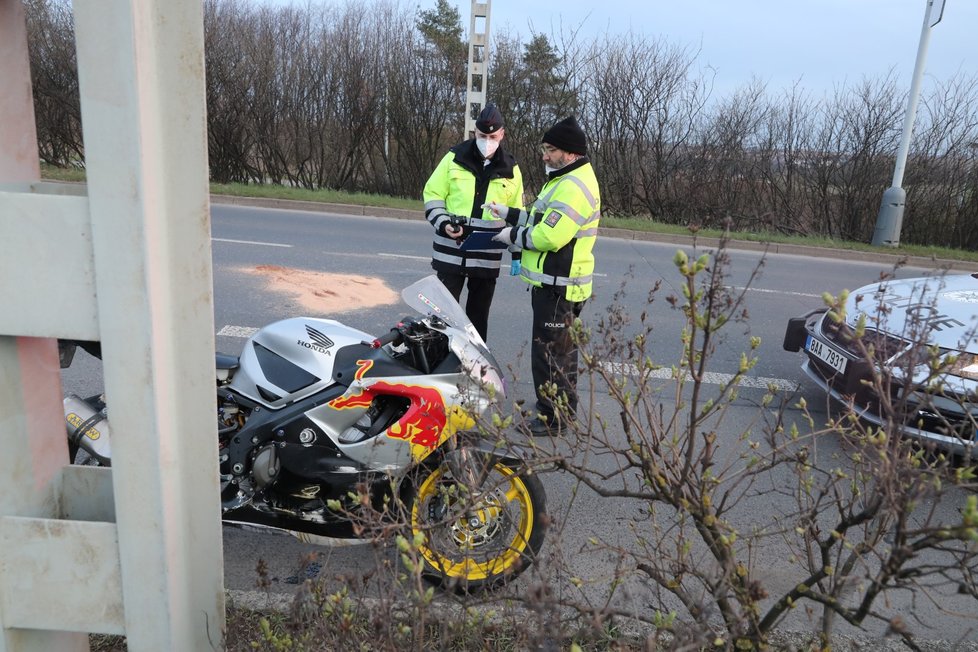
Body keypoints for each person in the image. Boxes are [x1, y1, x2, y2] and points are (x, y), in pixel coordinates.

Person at [487, 115, 600, 436]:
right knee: (561, 352)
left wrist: (511, 237)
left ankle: (554, 419)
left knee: (551, 355)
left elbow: (550, 237)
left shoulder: (573, 187)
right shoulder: (565, 178)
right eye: (544, 148)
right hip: (556, 285)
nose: (544, 155)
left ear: (571, 153)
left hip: (558, 287)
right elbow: (541, 219)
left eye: (550, 149)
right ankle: (557, 407)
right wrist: (509, 213)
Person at [422, 104, 524, 342]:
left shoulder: (511, 169)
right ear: (474, 133)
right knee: (442, 317)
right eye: (482, 136)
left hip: (486, 256)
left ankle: (474, 368)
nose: (487, 141)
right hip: (451, 251)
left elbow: (518, 212)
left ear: (502, 135)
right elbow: (433, 193)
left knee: (477, 321)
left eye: (492, 136)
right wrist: (443, 222)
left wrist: (517, 253)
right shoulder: (454, 158)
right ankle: (438, 365)